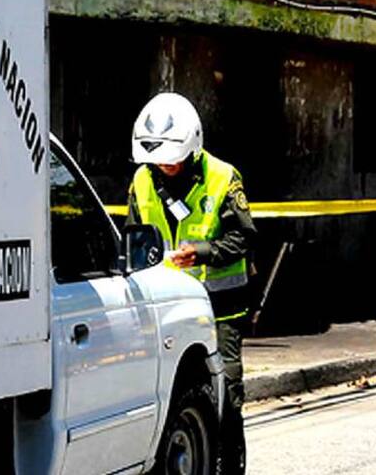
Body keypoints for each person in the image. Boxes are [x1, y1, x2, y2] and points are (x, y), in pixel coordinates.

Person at [126, 92, 256, 475]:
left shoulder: (223, 177)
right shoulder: (142, 180)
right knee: (174, 396)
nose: (165, 166)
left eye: (173, 158)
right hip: (167, 309)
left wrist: (201, 252)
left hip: (220, 308)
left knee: (227, 394)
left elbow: (243, 238)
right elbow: (133, 239)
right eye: (158, 160)